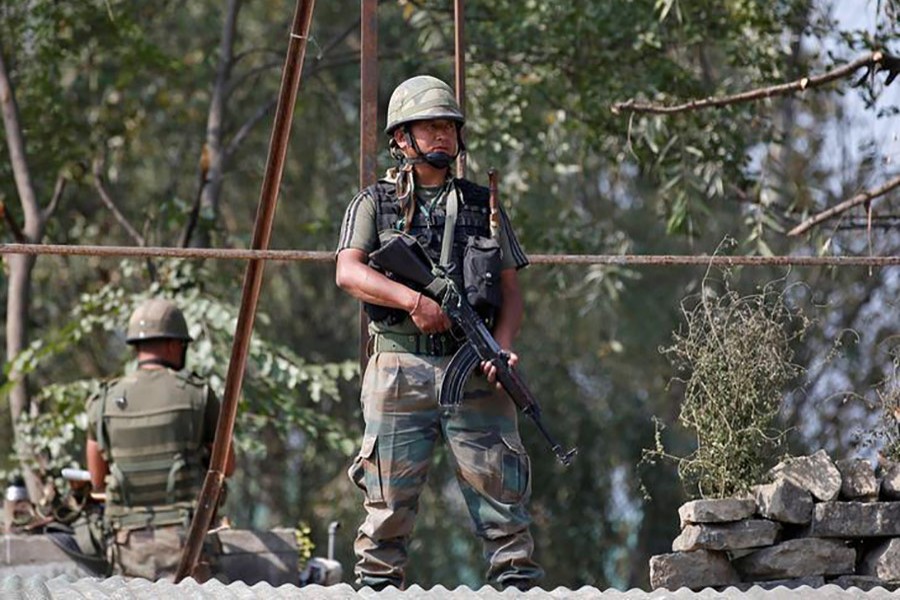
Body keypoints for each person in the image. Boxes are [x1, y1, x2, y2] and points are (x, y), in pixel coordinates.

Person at [335, 74, 543, 590]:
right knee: (386, 512)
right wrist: (414, 302)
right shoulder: (373, 204)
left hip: (473, 366)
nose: (444, 136)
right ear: (401, 138)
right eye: (431, 126)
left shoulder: (483, 205)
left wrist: (504, 347)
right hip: (399, 368)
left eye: (450, 126)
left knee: (505, 509)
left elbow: (512, 291)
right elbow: (348, 271)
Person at [85, 298, 234, 581]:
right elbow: (227, 465)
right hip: (188, 544)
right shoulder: (197, 394)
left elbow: (96, 479)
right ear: (172, 344)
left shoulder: (104, 400)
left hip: (127, 547)